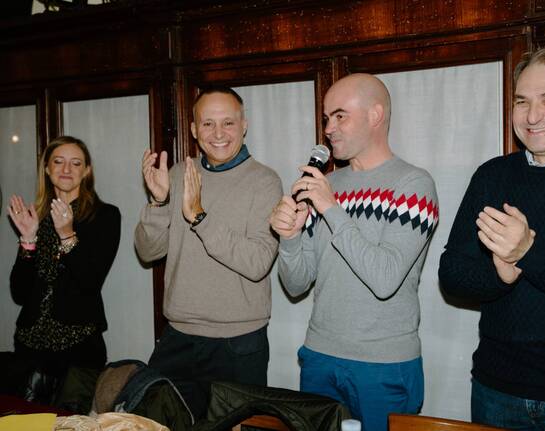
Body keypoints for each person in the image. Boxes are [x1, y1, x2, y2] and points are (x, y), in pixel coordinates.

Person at [438, 45, 545, 430]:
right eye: (521, 101)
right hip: (496, 390)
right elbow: (450, 273)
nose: (532, 116)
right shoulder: (492, 176)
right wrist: (500, 275)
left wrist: (529, 252)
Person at [270, 73, 439, 431]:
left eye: (340, 115)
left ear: (375, 115)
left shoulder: (413, 184)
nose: (329, 128)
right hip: (319, 355)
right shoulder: (328, 185)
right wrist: (289, 237)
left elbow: (384, 278)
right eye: (327, 118)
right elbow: (297, 283)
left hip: (383, 364)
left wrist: (332, 209)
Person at [134, 85, 282, 420]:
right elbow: (147, 252)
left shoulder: (264, 181)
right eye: (207, 124)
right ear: (193, 129)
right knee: (162, 424)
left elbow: (258, 262)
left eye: (228, 123)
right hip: (177, 338)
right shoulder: (176, 175)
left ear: (244, 125)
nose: (218, 133)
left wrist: (200, 217)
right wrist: (158, 202)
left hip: (238, 343)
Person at [3, 135, 121, 404]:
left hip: (78, 348)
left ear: (86, 170)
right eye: (58, 162)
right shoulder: (36, 216)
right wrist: (28, 240)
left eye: (75, 163)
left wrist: (67, 235)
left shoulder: (104, 216)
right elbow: (20, 293)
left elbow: (90, 282)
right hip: (29, 346)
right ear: (46, 168)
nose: (66, 170)